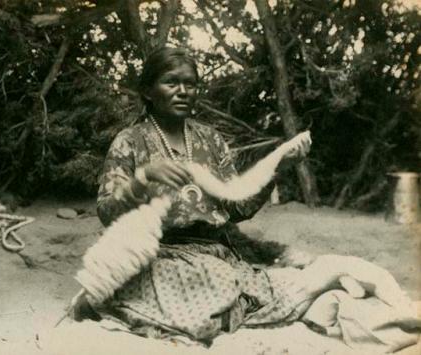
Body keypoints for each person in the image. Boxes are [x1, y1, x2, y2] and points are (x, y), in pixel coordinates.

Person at [84, 47, 418, 350]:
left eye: (191, 83)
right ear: (147, 90)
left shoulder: (209, 140)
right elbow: (108, 212)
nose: (183, 91)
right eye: (172, 82)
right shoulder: (130, 142)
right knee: (194, 296)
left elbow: (238, 207)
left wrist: (278, 167)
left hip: (215, 252)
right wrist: (143, 179)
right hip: (159, 255)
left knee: (234, 285)